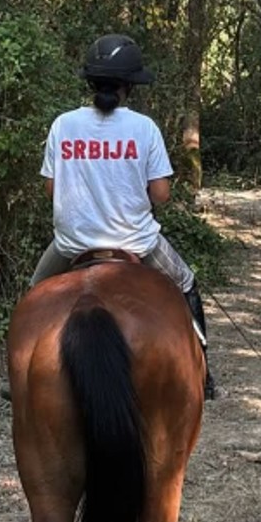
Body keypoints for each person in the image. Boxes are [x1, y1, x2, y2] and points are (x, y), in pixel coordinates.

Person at [30, 33, 215, 399]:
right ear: (129, 86)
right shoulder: (144, 128)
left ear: (90, 82)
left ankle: (20, 378)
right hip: (137, 242)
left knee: (33, 296)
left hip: (72, 245)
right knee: (187, 282)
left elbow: (51, 190)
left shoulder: (63, 125)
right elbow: (160, 195)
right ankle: (205, 374)